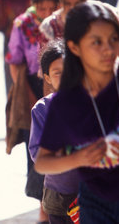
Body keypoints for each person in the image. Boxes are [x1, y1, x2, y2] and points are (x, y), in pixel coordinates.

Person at [34, 1, 119, 223]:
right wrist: (79, 157)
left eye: (113, 39)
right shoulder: (66, 102)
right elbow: (43, 162)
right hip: (95, 205)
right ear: (75, 47)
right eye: (96, 42)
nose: (108, 49)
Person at [5, 0, 59, 224]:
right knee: (36, 147)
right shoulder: (22, 24)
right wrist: (26, 94)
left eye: (51, 7)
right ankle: (43, 207)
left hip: (60, 85)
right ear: (33, 4)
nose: (47, 13)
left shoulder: (61, 23)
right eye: (42, 8)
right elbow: (14, 60)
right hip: (30, 87)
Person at [29, 39, 80, 224]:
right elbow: (36, 153)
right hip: (58, 194)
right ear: (48, 78)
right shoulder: (42, 110)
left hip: (90, 190)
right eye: (58, 73)